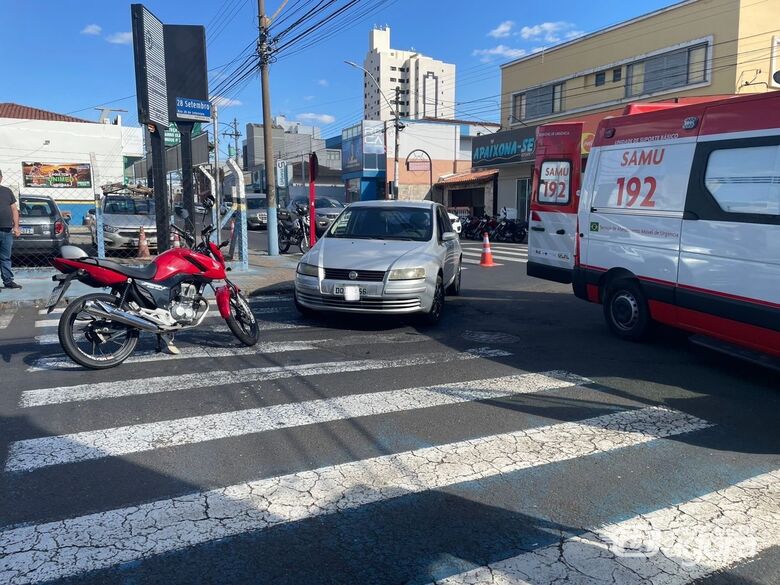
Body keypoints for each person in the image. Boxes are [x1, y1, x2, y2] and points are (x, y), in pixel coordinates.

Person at [0, 169, 23, 290]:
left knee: (5, 257)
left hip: (7, 231)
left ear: (1, 178)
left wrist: (16, 227)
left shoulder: (7, 191)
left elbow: (14, 209)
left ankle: (8, 281)